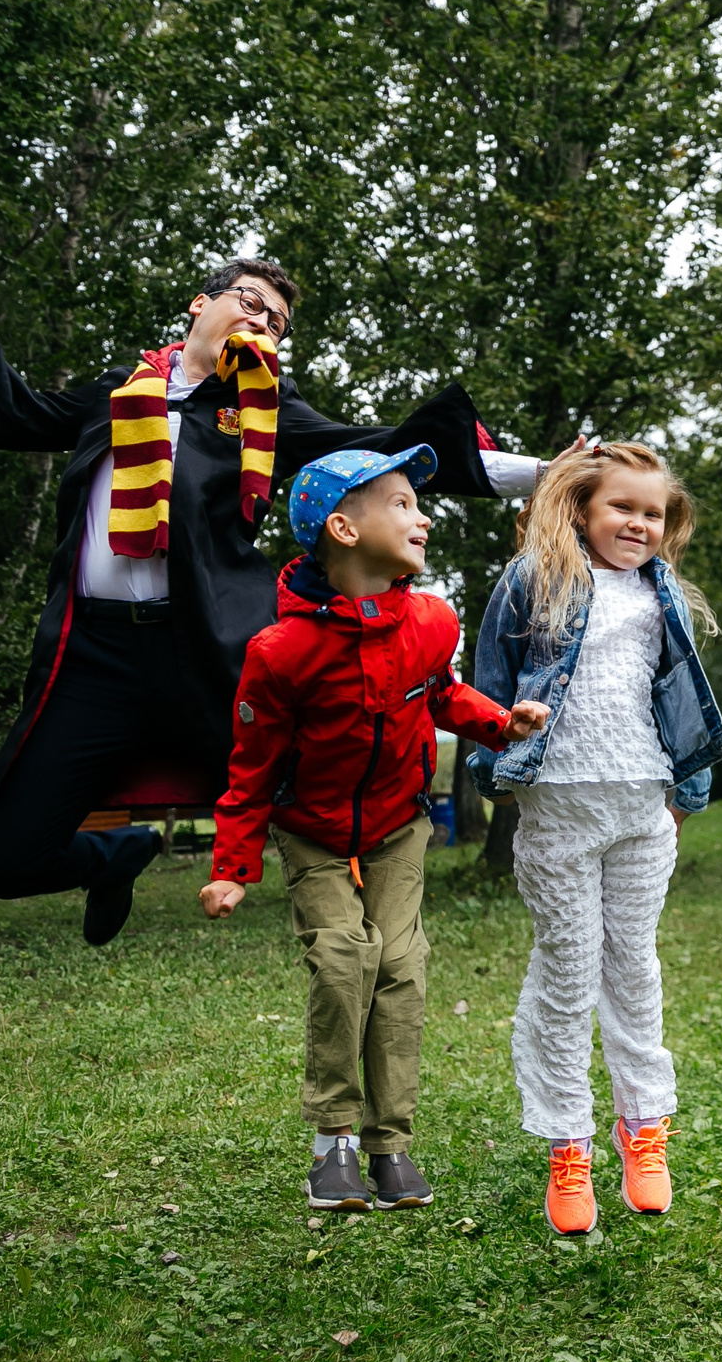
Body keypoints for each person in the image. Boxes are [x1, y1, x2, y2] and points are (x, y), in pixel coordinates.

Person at [0, 254, 544, 944]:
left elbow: (380, 447)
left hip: (209, 648)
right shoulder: (120, 392)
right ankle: (115, 856)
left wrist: (545, 474)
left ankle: (362, 925)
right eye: (249, 303)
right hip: (93, 653)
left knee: (311, 779)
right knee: (3, 861)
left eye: (276, 322)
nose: (262, 323)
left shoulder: (266, 410)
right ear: (199, 305)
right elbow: (14, 414)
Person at [197, 449, 550, 1213]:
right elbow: (251, 770)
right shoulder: (280, 653)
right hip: (314, 830)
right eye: (400, 502)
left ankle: (390, 1144)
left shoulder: (429, 622)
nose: (421, 515)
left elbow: (444, 696)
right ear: (343, 527)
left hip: (396, 824)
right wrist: (232, 867)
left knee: (400, 962)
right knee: (343, 958)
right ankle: (334, 1142)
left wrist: (499, 722)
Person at [468, 442, 722, 1235]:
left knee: (635, 967)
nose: (639, 523)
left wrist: (683, 795)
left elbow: (682, 697)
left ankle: (643, 1127)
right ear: (582, 506)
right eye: (622, 506)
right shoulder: (535, 579)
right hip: (560, 808)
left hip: (642, 808)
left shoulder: (665, 597)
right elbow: (490, 675)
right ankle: (567, 1141)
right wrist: (496, 762)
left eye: (653, 513)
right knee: (568, 970)